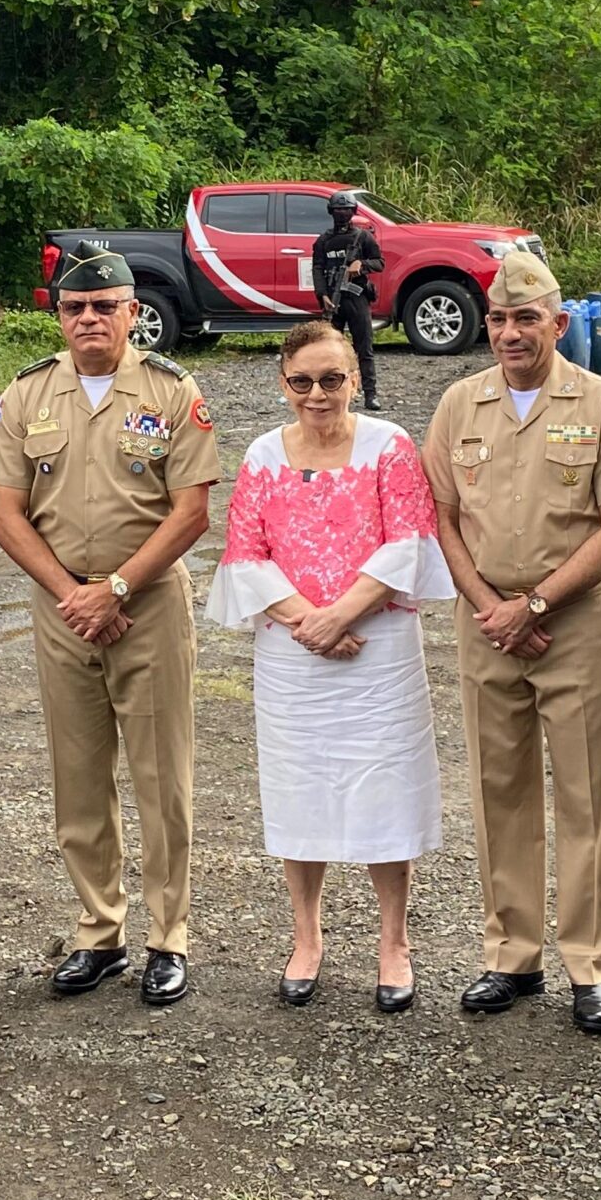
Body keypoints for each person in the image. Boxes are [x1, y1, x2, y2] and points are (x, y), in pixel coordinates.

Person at [0, 247, 219, 1006]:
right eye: (76, 308)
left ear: (130, 313)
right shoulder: (28, 394)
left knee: (161, 780)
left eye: (105, 306)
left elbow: (193, 510)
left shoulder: (173, 391)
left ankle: (167, 936)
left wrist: (114, 588)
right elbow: (5, 511)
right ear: (59, 315)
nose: (90, 319)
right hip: (62, 614)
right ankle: (99, 931)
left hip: (146, 605)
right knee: (78, 781)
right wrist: (70, 594)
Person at [425, 248, 601, 1033]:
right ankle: (510, 956)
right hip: (488, 626)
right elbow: (444, 519)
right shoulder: (459, 405)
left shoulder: (600, 404)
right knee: (500, 790)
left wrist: (539, 603)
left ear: (559, 323)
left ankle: (590, 964)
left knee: (589, 795)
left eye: (527, 318)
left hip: (575, 623)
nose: (511, 332)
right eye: (499, 318)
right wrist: (491, 605)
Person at [207, 320, 452, 1014]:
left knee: (386, 787)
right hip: (293, 652)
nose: (319, 394)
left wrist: (342, 614)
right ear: (283, 384)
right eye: (303, 381)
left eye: (333, 379)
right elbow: (245, 552)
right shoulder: (260, 454)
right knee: (300, 787)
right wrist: (307, 621)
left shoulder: (389, 446)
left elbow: (410, 538)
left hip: (376, 646)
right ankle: (306, 936)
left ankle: (393, 940)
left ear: (354, 379)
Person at [311, 191, 384, 413]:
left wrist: (361, 265)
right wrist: (322, 294)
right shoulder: (323, 241)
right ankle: (332, 392)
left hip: (357, 298)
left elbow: (380, 262)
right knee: (331, 349)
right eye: (338, 210)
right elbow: (317, 268)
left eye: (346, 210)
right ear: (331, 213)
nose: (342, 214)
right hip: (333, 301)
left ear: (353, 212)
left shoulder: (363, 238)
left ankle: (371, 394)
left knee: (364, 348)